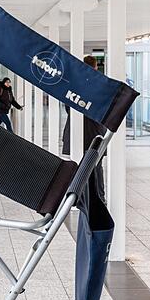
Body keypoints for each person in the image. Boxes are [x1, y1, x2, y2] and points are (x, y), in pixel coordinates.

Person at [61, 55, 107, 201]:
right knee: (96, 165)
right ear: (95, 68)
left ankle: (78, 197)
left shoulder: (74, 83)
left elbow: (67, 106)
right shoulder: (102, 85)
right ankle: (99, 197)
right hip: (96, 129)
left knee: (78, 165)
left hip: (77, 127)